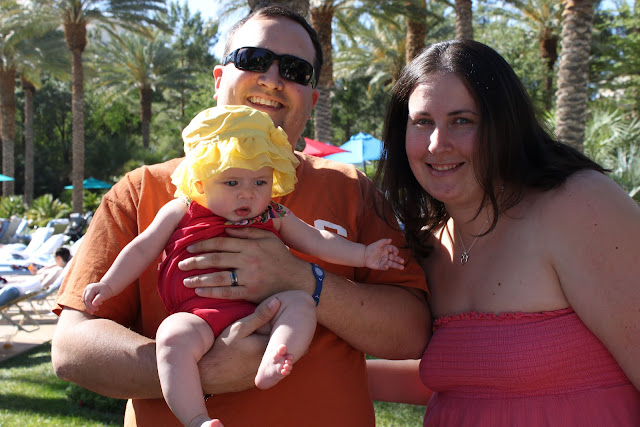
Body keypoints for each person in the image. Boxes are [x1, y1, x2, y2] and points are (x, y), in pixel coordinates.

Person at [51, 6, 430, 426]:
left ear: (312, 100)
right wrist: (208, 371)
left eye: (295, 70)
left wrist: (303, 279)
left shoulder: (350, 188)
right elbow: (72, 347)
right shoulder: (143, 190)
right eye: (253, 59)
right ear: (218, 80)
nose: (272, 79)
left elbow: (413, 332)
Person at [82, 105, 405, 427]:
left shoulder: (273, 214)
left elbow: (318, 240)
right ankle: (197, 419)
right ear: (202, 181)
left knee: (301, 302)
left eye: (260, 182)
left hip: (261, 310)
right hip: (198, 316)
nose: (247, 194)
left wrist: (364, 255)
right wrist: (109, 284)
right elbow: (142, 247)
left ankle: (277, 354)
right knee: (171, 337)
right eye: (232, 182)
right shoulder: (182, 209)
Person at [371, 39, 640, 425]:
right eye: (423, 122)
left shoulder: (578, 204)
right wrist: (320, 370)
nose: (437, 143)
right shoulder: (427, 247)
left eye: (462, 120)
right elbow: (471, 379)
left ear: (504, 125)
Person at [0, 247, 71, 306]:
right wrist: (42, 272)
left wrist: (41, 277)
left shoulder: (58, 270)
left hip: (16, 290)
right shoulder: (57, 268)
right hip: (16, 288)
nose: (54, 260)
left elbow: (45, 284)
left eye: (54, 257)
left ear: (58, 258)